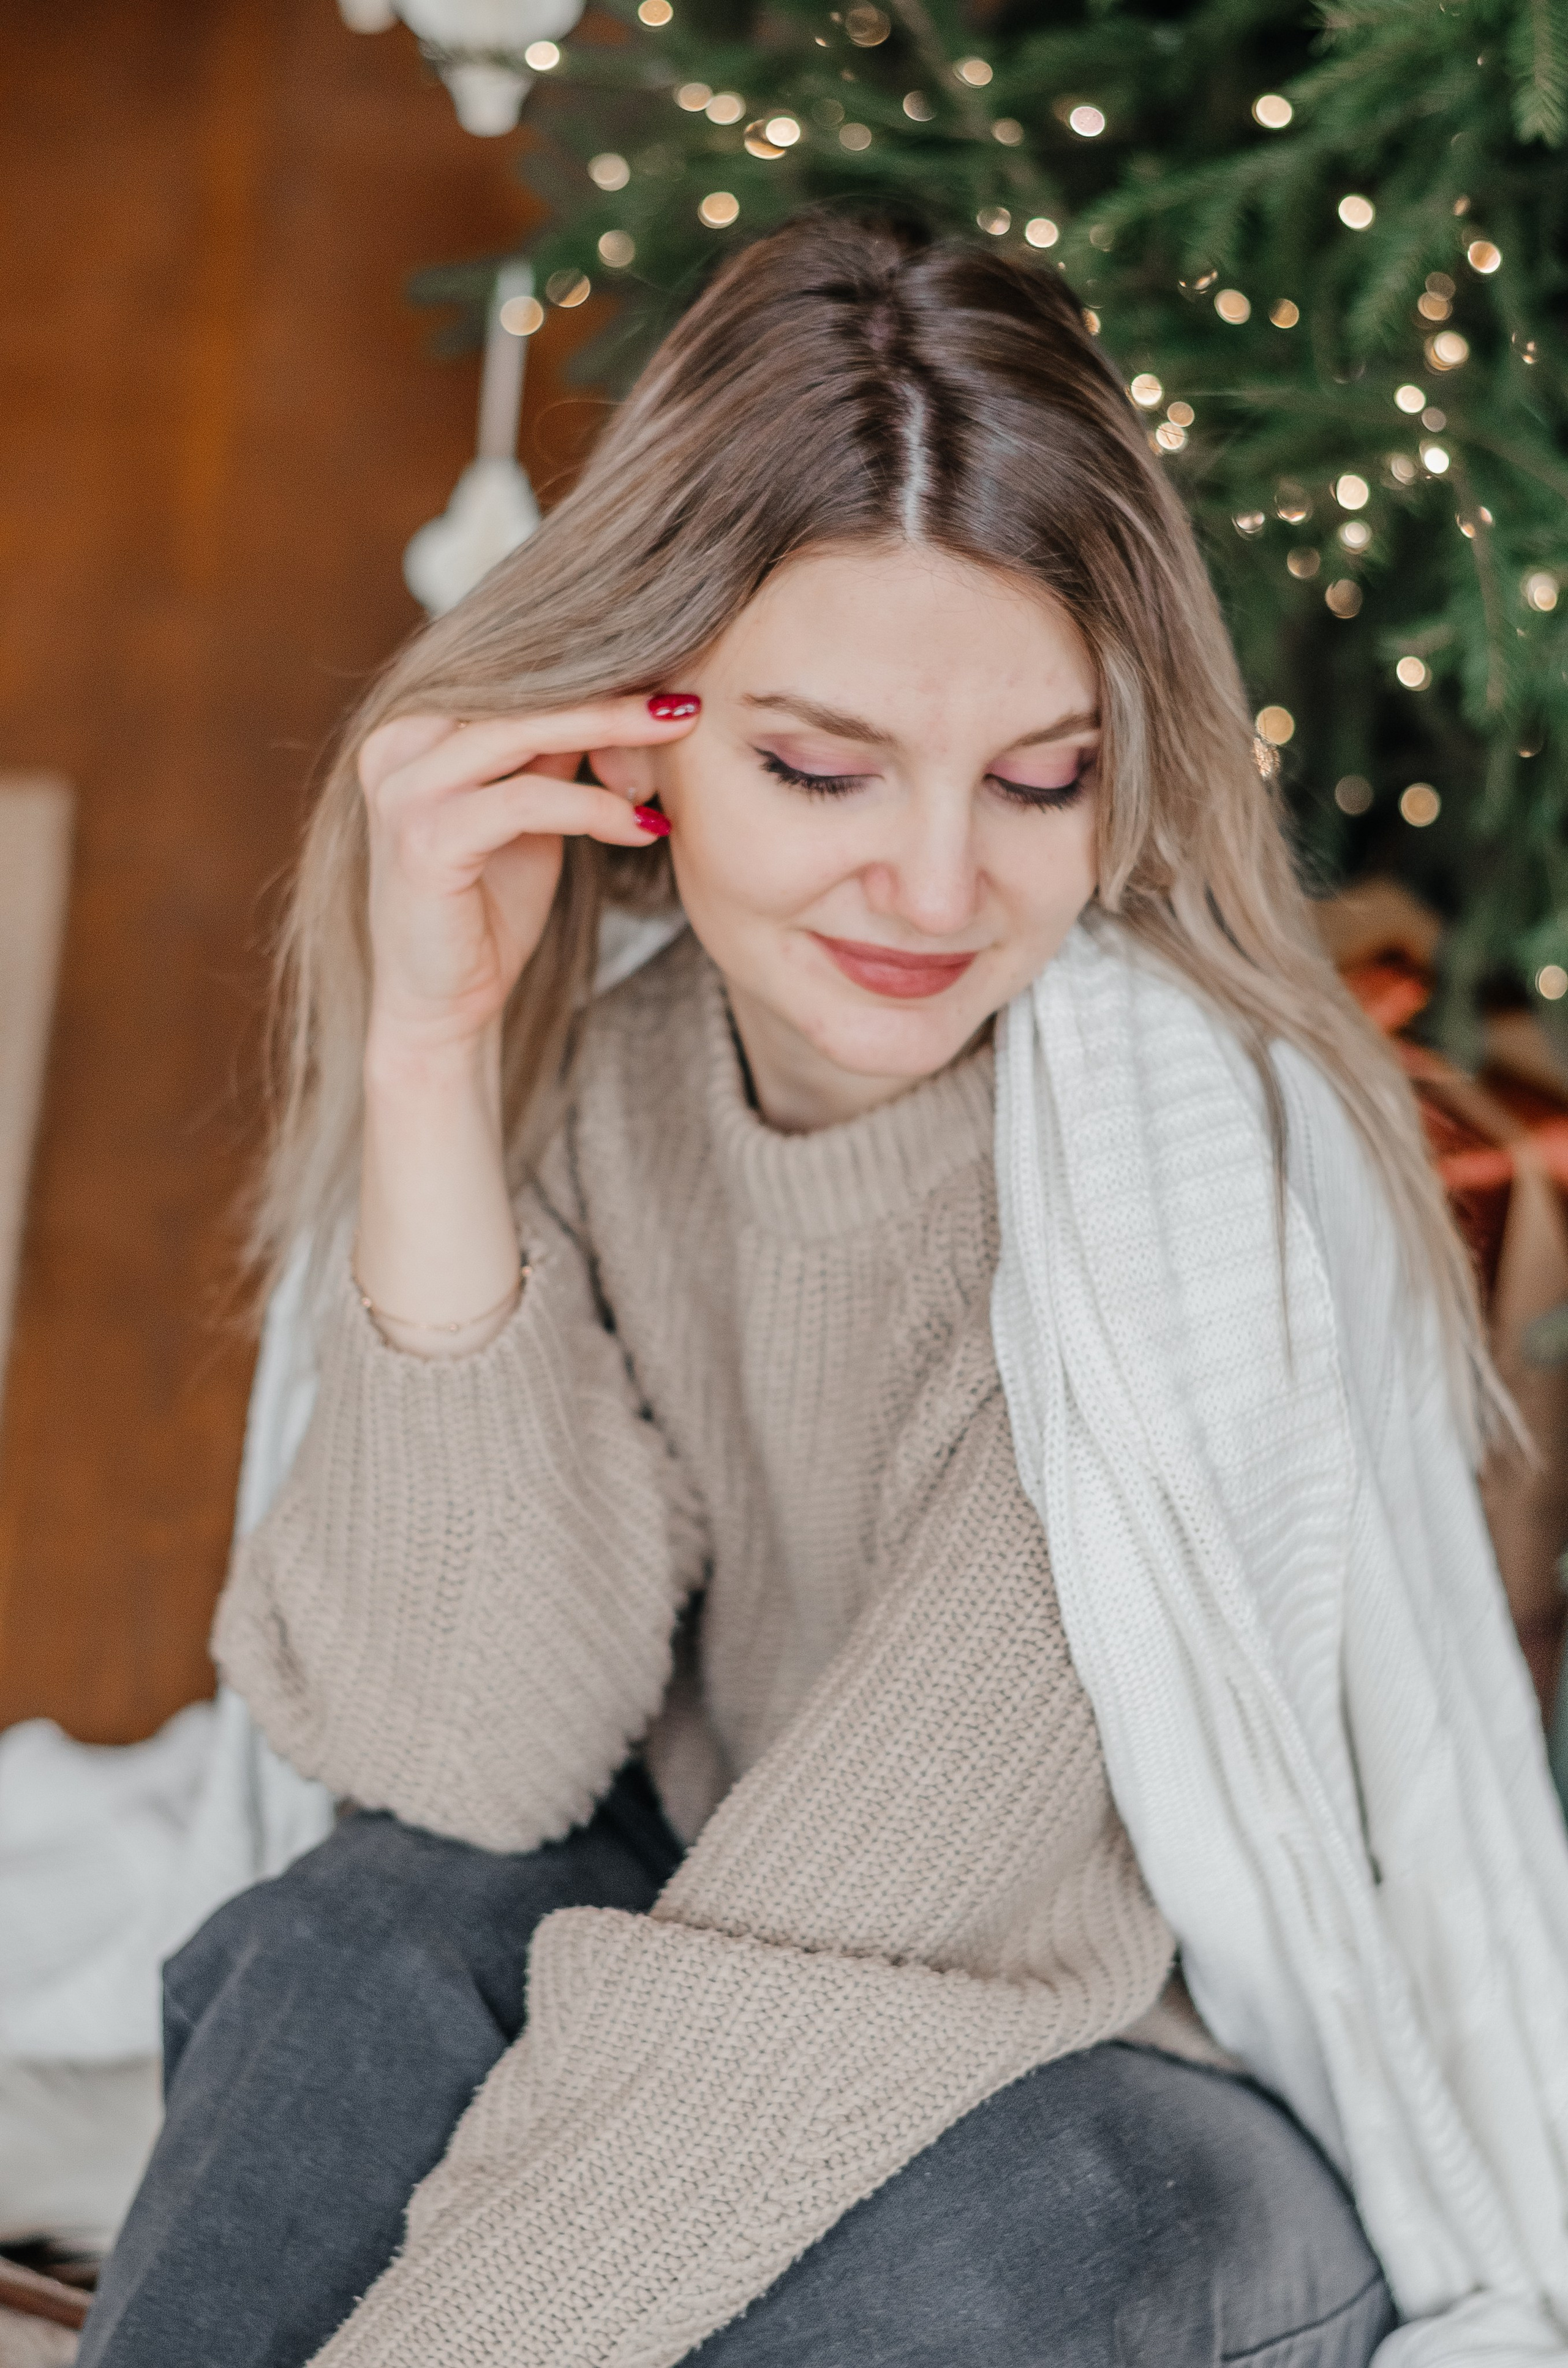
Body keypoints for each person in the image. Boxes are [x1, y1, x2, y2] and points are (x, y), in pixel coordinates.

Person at [78, 214, 1568, 2368]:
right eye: (821, 766)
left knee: (1023, 2220)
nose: (942, 884)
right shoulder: (584, 1060)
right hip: (690, 1950)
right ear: (639, 725)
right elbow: (465, 1757)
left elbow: (828, 1965)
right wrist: (424, 1060)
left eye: (1041, 779)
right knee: (349, 1939)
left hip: (1132, 2115)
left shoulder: (1167, 1186)